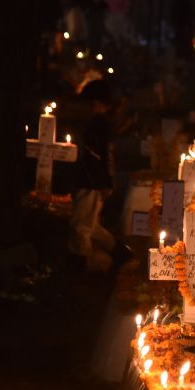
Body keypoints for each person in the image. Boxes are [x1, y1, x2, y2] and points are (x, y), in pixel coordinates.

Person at [68, 80, 126, 272]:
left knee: (81, 227)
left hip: (91, 182)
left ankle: (80, 264)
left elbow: (98, 157)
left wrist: (102, 182)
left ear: (99, 103)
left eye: (91, 102)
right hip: (92, 180)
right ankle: (121, 254)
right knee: (90, 225)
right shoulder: (100, 123)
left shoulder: (99, 124)